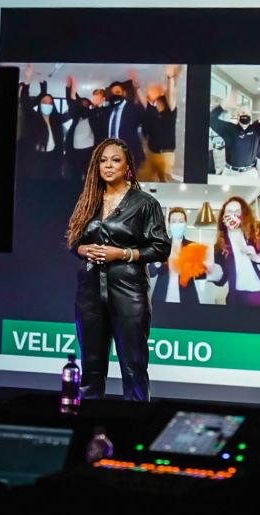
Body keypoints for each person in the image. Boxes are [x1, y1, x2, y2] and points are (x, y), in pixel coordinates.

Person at [65, 138, 170, 401]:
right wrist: (82, 249)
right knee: (91, 370)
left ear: (127, 167)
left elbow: (160, 248)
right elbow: (73, 240)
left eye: (115, 160)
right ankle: (86, 433)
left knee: (133, 369)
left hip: (129, 292)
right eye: (102, 160)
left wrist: (122, 253)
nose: (108, 165)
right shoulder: (88, 198)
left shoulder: (145, 203)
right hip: (89, 293)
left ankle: (134, 434)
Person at [207, 196, 260, 307]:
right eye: (229, 212)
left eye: (237, 212)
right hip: (237, 298)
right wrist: (211, 270)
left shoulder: (259, 233)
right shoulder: (220, 245)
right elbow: (222, 278)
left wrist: (259, 259)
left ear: (243, 215)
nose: (233, 215)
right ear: (223, 217)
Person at [209, 89, 260, 178]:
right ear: (237, 116)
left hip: (249, 173)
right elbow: (211, 120)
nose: (245, 114)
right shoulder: (229, 128)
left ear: (250, 115)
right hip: (230, 173)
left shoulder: (256, 128)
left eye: (247, 113)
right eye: (242, 112)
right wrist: (223, 106)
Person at [149, 207, 209, 304]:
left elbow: (201, 275)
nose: (177, 224)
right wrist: (159, 261)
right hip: (162, 299)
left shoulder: (192, 246)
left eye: (181, 221)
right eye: (174, 221)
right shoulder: (161, 245)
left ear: (185, 224)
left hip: (187, 299)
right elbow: (151, 272)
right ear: (169, 225)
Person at [89, 76, 146, 170]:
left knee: (128, 182)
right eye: (113, 93)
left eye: (118, 92)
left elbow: (146, 114)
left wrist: (138, 89)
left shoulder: (132, 109)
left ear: (124, 93)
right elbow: (95, 124)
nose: (115, 95)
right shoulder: (107, 110)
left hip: (129, 155)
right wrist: (95, 106)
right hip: (110, 155)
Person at [18, 64, 65, 178]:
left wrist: (71, 92)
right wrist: (28, 79)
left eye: (50, 103)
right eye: (44, 102)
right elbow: (25, 101)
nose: (47, 105)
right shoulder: (34, 117)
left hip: (53, 158)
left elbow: (74, 112)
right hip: (36, 159)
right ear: (39, 104)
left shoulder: (56, 120)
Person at [138, 65, 182, 183]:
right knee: (143, 179)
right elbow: (144, 102)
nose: (155, 103)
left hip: (165, 155)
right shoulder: (152, 113)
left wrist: (170, 77)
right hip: (151, 153)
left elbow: (171, 94)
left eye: (157, 101)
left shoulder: (170, 111)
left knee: (165, 181)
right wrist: (138, 87)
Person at [63, 74, 96, 185]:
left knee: (88, 176)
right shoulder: (76, 115)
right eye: (83, 103)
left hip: (89, 151)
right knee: (74, 175)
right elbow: (72, 102)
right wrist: (70, 88)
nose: (85, 104)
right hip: (74, 151)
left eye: (87, 103)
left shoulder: (93, 115)